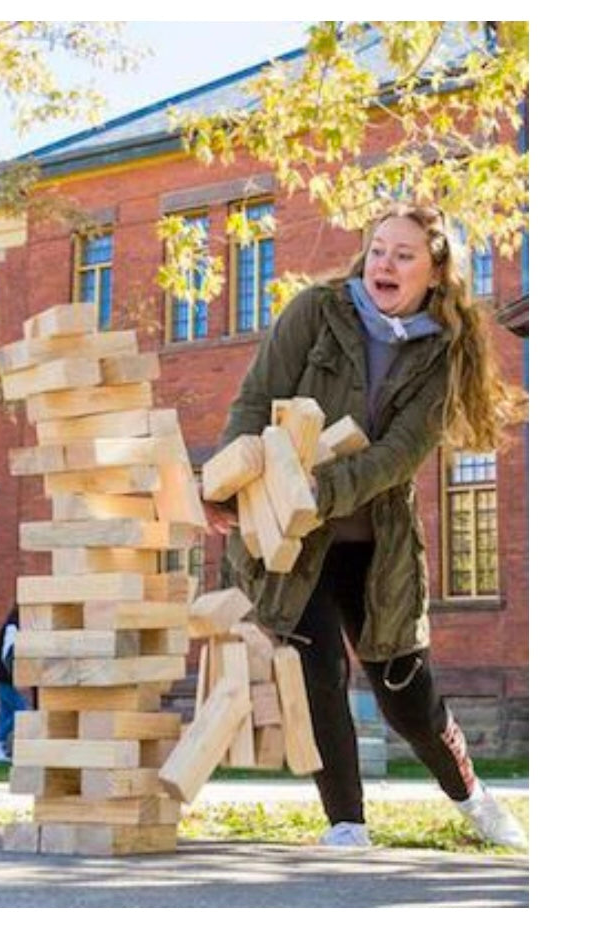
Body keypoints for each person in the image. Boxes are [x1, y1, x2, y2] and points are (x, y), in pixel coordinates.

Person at [206, 203, 528, 850]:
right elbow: (253, 396)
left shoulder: (442, 353)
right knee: (318, 674)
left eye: (403, 255)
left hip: (375, 548)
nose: (385, 263)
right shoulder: (315, 311)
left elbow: (396, 457)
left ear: (434, 273)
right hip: (296, 545)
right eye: (378, 249)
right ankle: (346, 823)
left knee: (406, 694)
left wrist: (311, 492)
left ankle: (471, 798)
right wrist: (228, 480)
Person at [0, 604, 28, 758]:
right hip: (2, 677)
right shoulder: (12, 626)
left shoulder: (11, 625)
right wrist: (13, 673)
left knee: (6, 714)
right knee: (21, 710)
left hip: (0, 677)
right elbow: (8, 653)